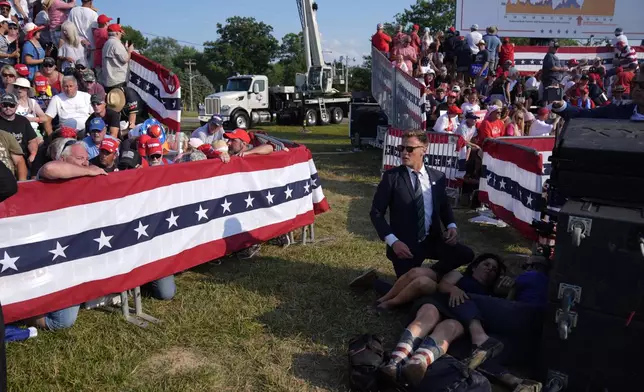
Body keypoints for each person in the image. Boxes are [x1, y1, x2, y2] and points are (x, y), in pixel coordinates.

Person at [364, 130, 475, 286]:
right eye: (400, 149)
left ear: (424, 149)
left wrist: (451, 225)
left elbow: (443, 205)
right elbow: (376, 213)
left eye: (409, 149)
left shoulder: (437, 177)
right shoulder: (391, 178)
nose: (404, 153)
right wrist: (394, 242)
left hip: (432, 239)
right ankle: (375, 282)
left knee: (466, 254)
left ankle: (430, 274)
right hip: (405, 245)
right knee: (412, 292)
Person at [0, 92, 38, 164]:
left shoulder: (23, 121)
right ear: (0, 105)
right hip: (3, 159)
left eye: (11, 105)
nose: (8, 108)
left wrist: (33, 154)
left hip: (22, 158)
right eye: (4, 105)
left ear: (17, 106)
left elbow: (32, 141)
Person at [102, 23, 133, 90]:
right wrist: (129, 51)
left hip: (108, 80)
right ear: (116, 33)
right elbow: (125, 59)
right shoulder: (116, 43)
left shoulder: (106, 43)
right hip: (118, 81)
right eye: (120, 32)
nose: (121, 34)